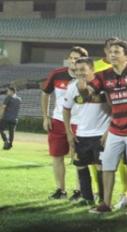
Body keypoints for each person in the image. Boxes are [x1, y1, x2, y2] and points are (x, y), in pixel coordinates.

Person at [82, 39, 127, 214]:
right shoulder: (104, 75)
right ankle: (105, 203)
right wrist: (84, 89)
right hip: (116, 128)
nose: (112, 54)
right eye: (111, 52)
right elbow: (90, 92)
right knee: (107, 166)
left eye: (117, 52)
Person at [41, 46, 87, 201]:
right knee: (57, 156)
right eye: (71, 58)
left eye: (77, 59)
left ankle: (79, 191)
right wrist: (46, 117)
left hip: (80, 123)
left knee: (79, 158)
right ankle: (60, 190)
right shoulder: (57, 73)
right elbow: (45, 93)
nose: (73, 61)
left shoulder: (89, 77)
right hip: (58, 121)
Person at [63, 57, 110, 206]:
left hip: (101, 134)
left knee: (101, 167)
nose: (79, 73)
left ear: (92, 69)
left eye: (83, 69)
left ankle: (103, 199)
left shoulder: (103, 86)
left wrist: (108, 132)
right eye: (77, 70)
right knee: (81, 167)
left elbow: (115, 110)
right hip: (81, 135)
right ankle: (87, 198)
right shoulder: (72, 87)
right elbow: (66, 109)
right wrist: (69, 132)